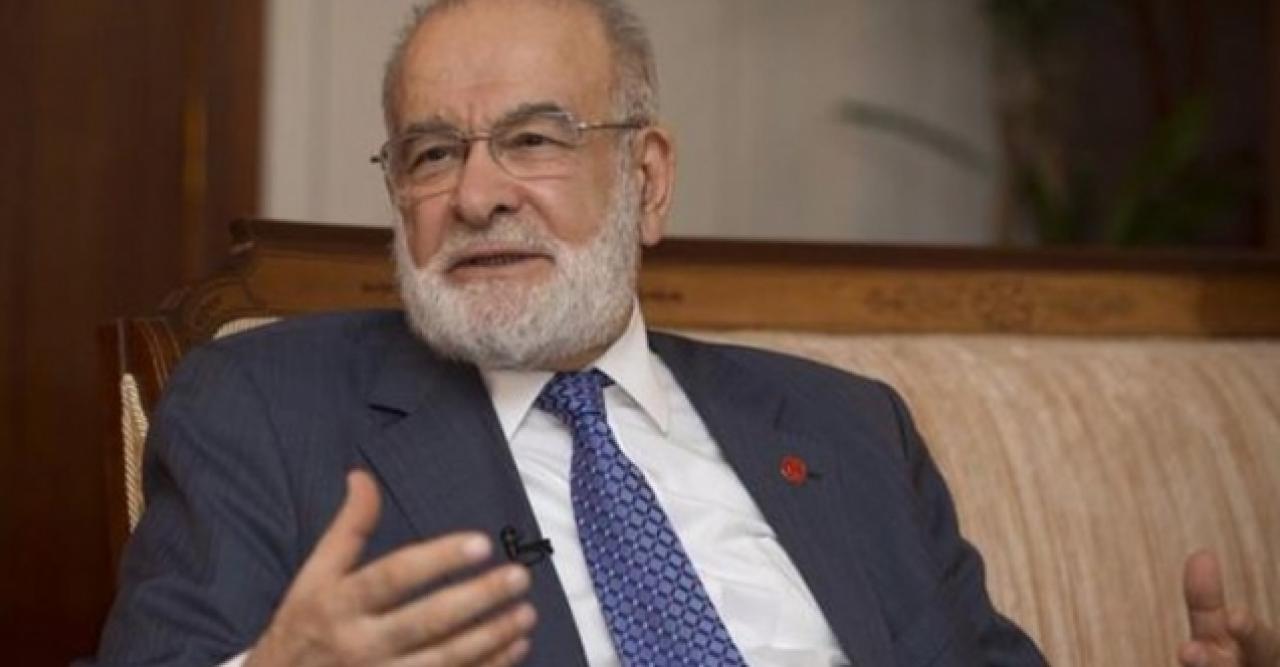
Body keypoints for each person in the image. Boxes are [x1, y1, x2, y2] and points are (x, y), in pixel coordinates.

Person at [87, 1, 1270, 665]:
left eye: (535, 139)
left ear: (646, 180)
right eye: (431, 153)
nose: (478, 193)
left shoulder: (843, 427)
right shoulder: (267, 406)